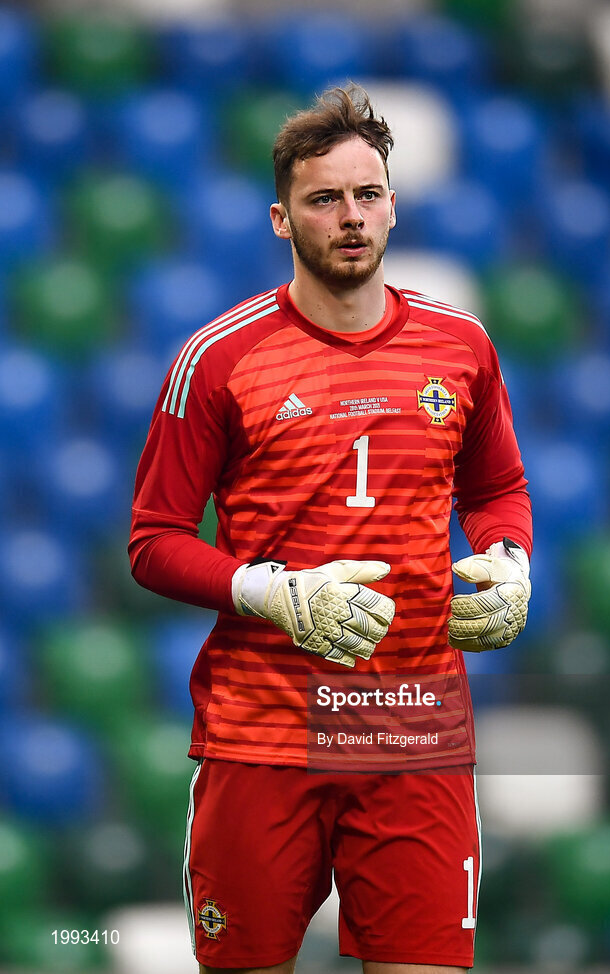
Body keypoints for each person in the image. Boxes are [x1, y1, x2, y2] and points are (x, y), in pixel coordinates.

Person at [129, 85, 532, 974]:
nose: (350, 218)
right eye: (323, 199)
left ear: (393, 202)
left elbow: (499, 486)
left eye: (367, 194)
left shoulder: (460, 344)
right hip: (263, 738)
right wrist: (268, 591)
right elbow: (153, 540)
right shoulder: (220, 358)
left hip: (415, 737)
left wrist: (509, 562)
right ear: (282, 219)